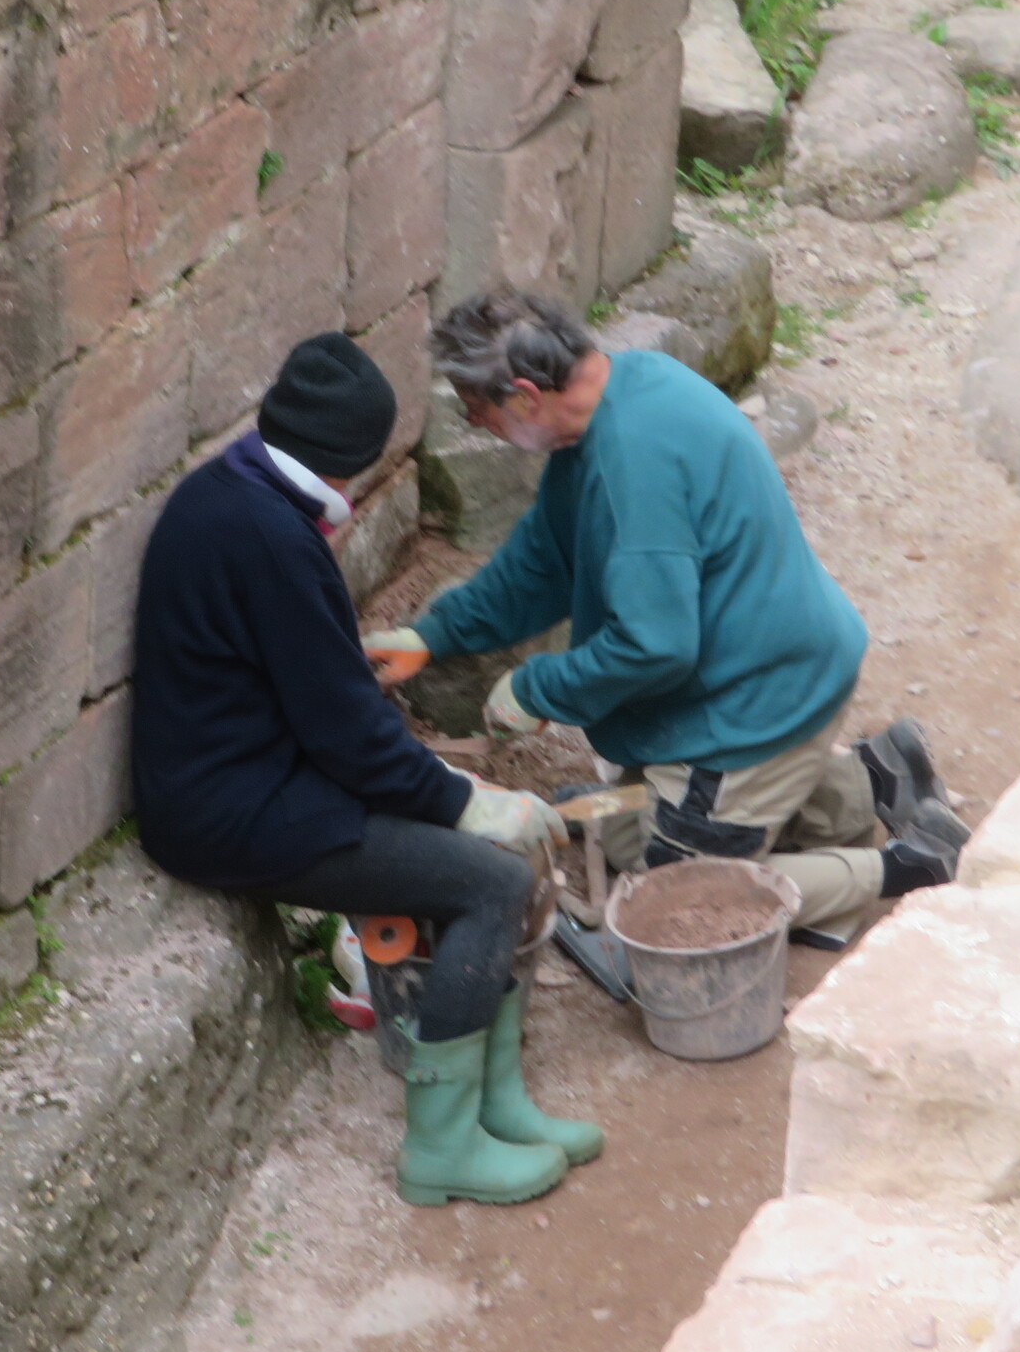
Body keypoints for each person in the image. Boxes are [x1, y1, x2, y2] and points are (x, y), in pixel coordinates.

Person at [131, 332, 600, 1208]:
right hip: (231, 812)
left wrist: (445, 785)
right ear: (351, 458)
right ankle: (442, 1146)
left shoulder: (228, 490)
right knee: (491, 884)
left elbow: (319, 698)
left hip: (239, 776)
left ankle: (497, 1103)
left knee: (483, 849)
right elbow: (346, 736)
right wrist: (461, 800)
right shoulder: (275, 540)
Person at [363, 289, 968, 938]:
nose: (476, 424)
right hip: (784, 656)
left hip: (748, 706)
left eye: (477, 409)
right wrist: (431, 636)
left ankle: (910, 864)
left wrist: (536, 689)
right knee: (631, 833)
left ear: (526, 396)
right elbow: (541, 561)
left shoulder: (632, 464)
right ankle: (874, 776)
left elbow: (653, 646)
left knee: (674, 901)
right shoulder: (628, 386)